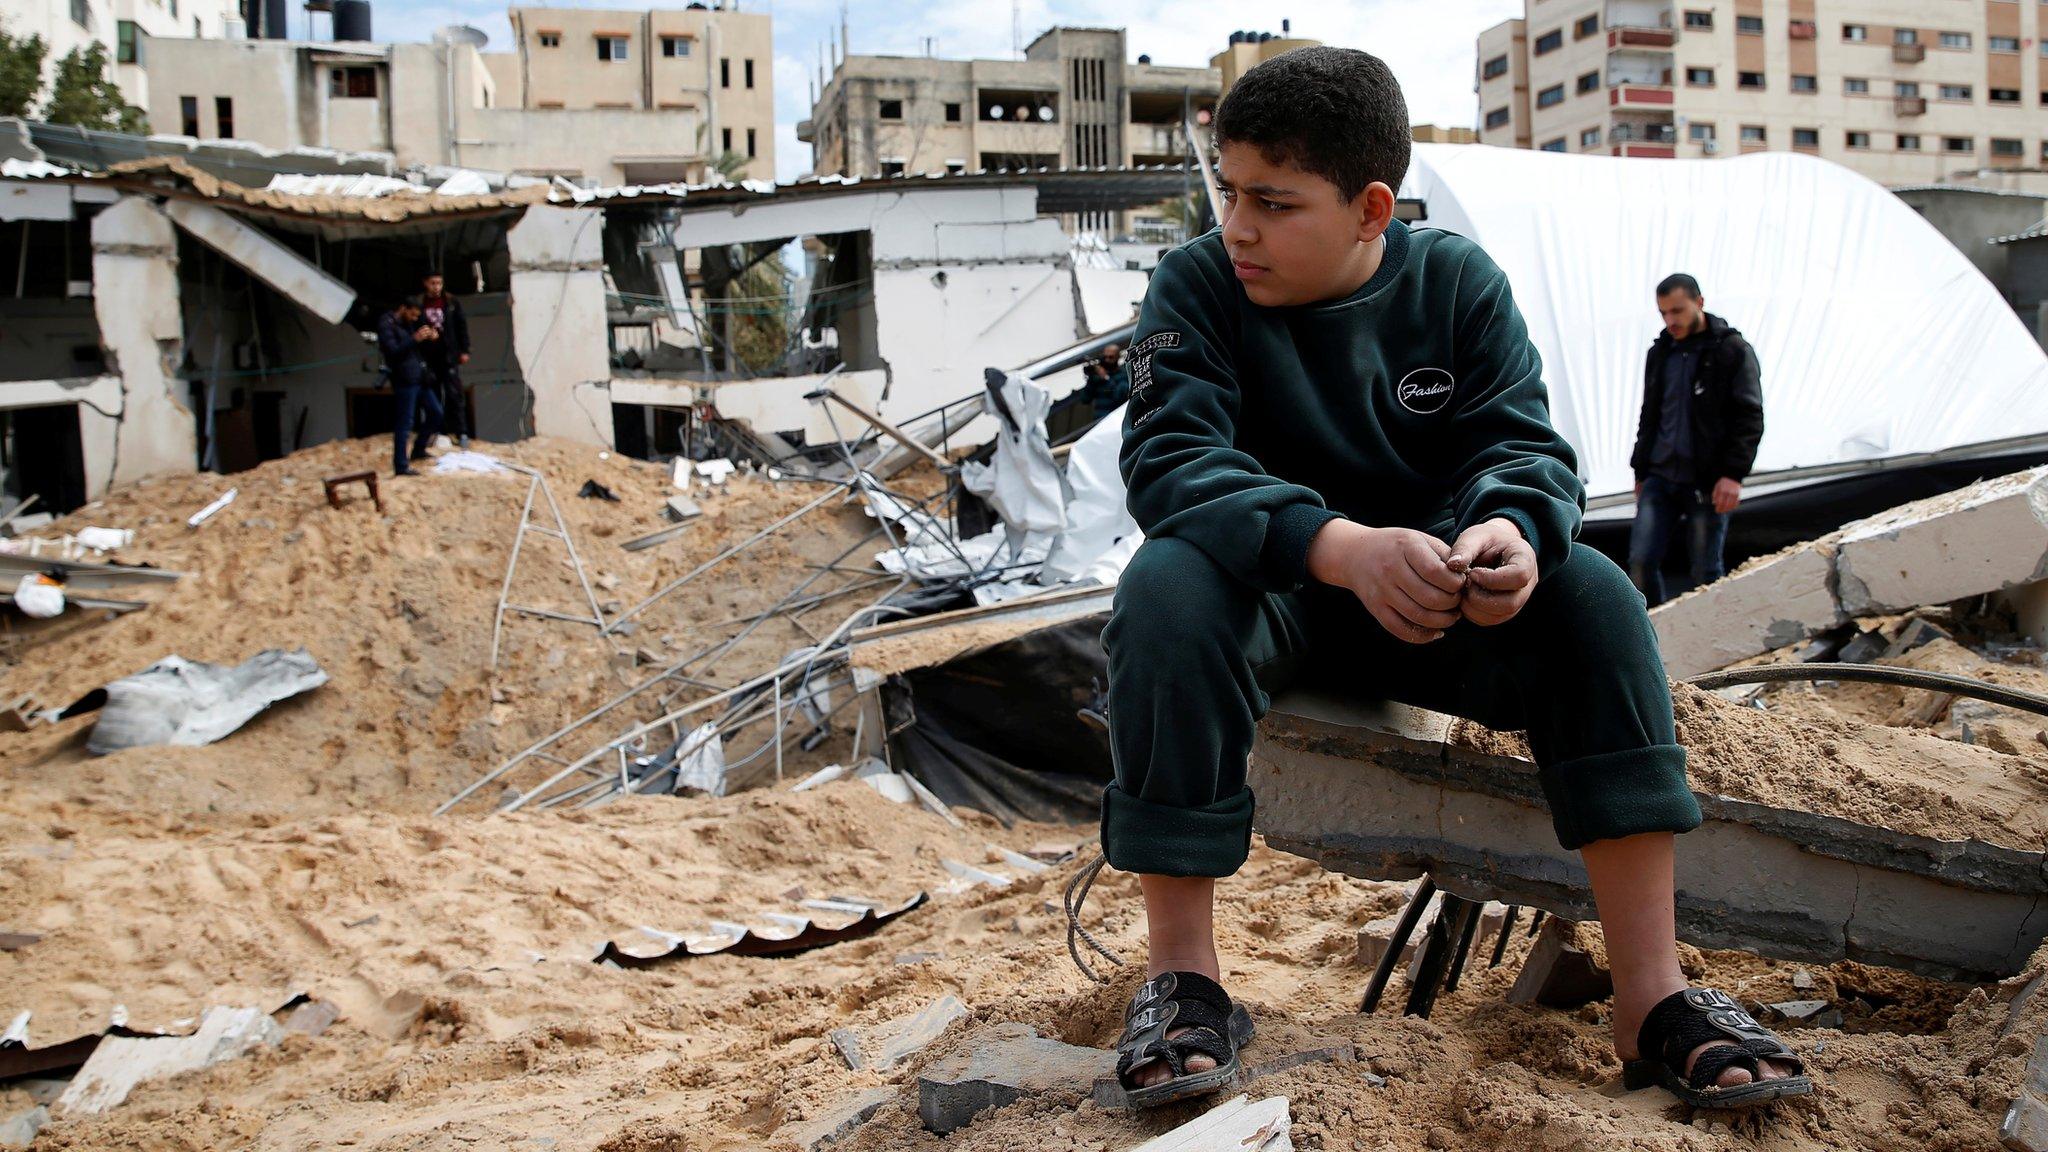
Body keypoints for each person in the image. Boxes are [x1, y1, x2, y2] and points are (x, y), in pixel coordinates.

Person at [1099, 47, 1809, 1113]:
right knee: (1161, 588)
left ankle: (1650, 996)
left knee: (1599, 599)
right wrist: (1336, 546)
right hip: (1275, 593)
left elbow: (1521, 446)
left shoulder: (1454, 282)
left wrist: (1508, 534)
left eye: (1273, 202)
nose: (1236, 224)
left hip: (1438, 600)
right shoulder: (1196, 282)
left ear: (1368, 207)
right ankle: (1184, 978)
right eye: (1228, 190)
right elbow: (1168, 461)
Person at [1626, 274, 1765, 607]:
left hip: (1707, 480)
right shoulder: (1660, 353)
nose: (1670, 320)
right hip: (1660, 475)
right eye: (1663, 313)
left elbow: (1749, 416)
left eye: (1677, 311)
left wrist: (1733, 474)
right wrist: (1640, 469)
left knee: (1705, 571)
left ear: (1699, 302)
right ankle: (1653, 644)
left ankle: (1710, 648)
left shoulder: (1732, 351)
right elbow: (1650, 414)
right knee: (1641, 563)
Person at [376, 296, 443, 476]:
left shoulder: (408, 323)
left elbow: (420, 341)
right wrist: (414, 338)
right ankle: (401, 464)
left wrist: (430, 336)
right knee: (405, 422)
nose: (415, 318)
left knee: (436, 412)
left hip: (420, 376)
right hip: (404, 379)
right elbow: (393, 351)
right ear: (404, 308)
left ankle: (419, 449)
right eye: (412, 315)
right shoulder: (387, 324)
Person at [418, 271, 473, 449]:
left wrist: (464, 349)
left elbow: (461, 325)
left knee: (454, 393)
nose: (436, 287)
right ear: (426, 283)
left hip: (449, 354)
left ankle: (461, 431)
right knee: (432, 395)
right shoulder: (419, 303)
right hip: (428, 356)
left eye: (439, 283)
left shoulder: (451, 302)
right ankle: (438, 431)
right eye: (433, 283)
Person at [1080, 344, 1130, 418]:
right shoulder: (1097, 377)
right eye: (1105, 357)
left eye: (1111, 357)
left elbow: (1120, 396)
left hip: (1116, 418)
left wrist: (1106, 378)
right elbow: (1085, 399)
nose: (1107, 360)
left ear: (1117, 357)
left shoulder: (1123, 375)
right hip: (1100, 420)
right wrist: (1091, 379)